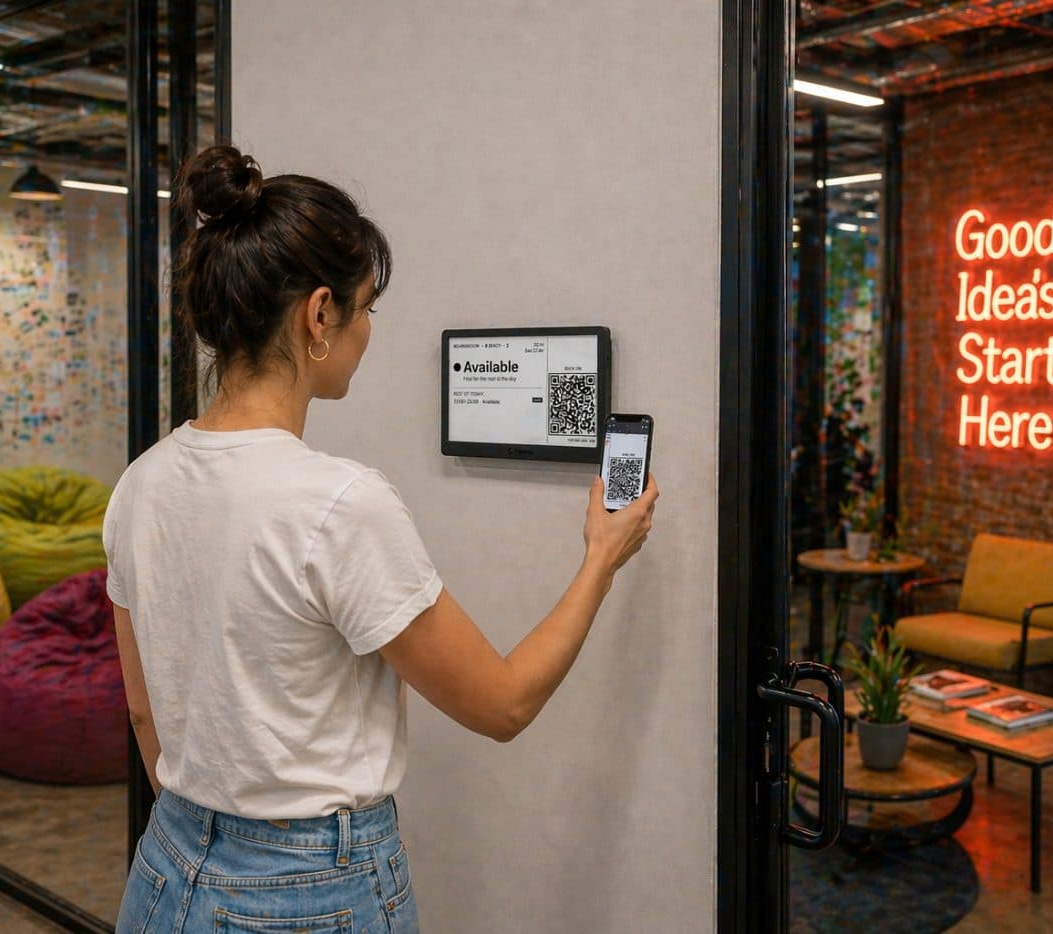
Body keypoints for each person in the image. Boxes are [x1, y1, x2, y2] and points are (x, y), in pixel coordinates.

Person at [107, 145, 658, 934]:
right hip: (308, 895)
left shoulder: (141, 484)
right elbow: (503, 705)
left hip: (166, 868)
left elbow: (142, 712)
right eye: (366, 307)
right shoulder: (339, 504)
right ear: (319, 313)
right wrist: (601, 558)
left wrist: (219, 835)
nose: (368, 330)